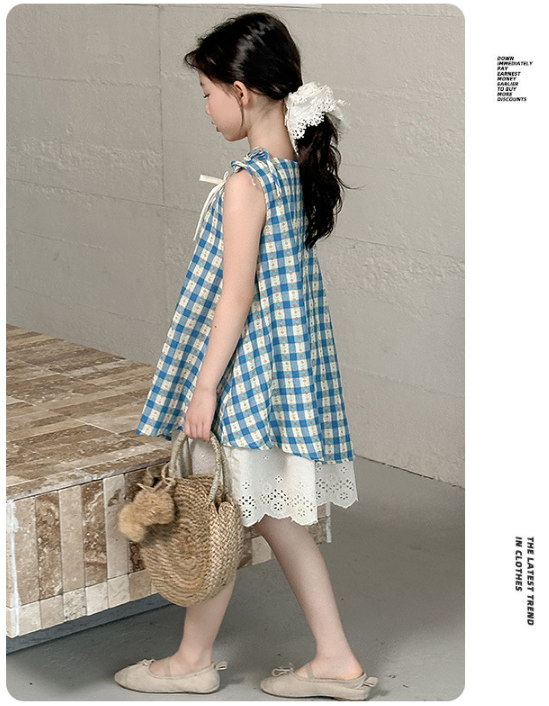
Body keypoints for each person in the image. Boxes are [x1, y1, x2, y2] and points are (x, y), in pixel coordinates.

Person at [114, 11, 378, 701]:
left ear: (241, 90)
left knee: (225, 507)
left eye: (207, 94)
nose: (205, 110)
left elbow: (234, 299)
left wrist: (204, 388)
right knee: (265, 516)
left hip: (247, 376)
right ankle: (327, 659)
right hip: (283, 374)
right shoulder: (292, 172)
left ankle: (192, 662)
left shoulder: (246, 183)